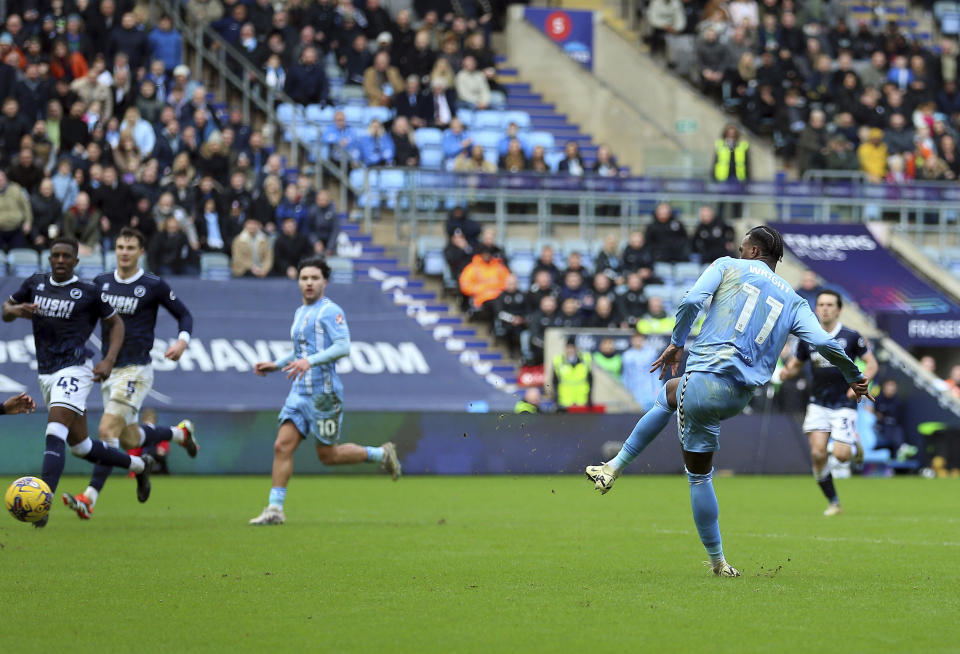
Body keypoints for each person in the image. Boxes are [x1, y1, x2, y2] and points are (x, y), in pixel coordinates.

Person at [584, 226, 870, 577]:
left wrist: (676, 341)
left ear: (751, 251)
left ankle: (615, 467)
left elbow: (691, 301)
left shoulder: (726, 266)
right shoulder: (795, 301)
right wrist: (854, 377)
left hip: (704, 384)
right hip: (738, 396)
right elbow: (826, 344)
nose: (738, 251)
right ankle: (718, 562)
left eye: (741, 247)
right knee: (687, 432)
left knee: (680, 420)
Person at [2, 237, 156, 527]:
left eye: (66, 256)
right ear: (49, 259)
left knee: (54, 431)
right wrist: (15, 311)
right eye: (55, 255)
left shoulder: (88, 291)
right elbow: (5, 311)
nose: (60, 260)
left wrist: (109, 359)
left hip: (75, 369)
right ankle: (139, 464)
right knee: (81, 447)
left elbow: (116, 323)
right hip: (47, 372)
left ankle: (42, 502)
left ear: (75, 261)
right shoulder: (35, 283)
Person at [249, 256, 401, 525]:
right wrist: (277, 364)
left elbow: (343, 347)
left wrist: (310, 361)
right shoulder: (300, 312)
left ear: (325, 282)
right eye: (304, 278)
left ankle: (381, 454)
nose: (309, 283)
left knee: (328, 456)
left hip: (324, 395)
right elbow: (300, 352)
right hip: (299, 392)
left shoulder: (331, 311)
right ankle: (275, 509)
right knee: (281, 446)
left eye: (314, 278)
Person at [62, 228, 199, 520]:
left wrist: (182, 341)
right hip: (110, 370)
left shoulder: (153, 284)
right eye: (120, 246)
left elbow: (184, 314)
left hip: (137, 369)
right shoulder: (100, 283)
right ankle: (180, 433)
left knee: (106, 431)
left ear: (141, 252)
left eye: (130, 247)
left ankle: (89, 497)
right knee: (129, 439)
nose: (124, 251)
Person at [778, 290, 878, 516]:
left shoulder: (851, 336)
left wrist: (862, 383)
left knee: (841, 456)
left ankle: (852, 443)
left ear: (839, 309)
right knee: (818, 454)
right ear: (816, 309)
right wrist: (785, 372)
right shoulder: (808, 337)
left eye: (830, 305)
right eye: (821, 304)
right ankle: (834, 501)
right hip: (818, 401)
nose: (825, 308)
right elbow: (796, 364)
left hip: (844, 400)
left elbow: (871, 364)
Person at [552, 339, 592, 410]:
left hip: (582, 399)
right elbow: (555, 381)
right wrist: (556, 397)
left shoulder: (585, 359)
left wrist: (589, 397)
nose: (570, 350)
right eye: (568, 348)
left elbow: (590, 379)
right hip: (565, 400)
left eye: (572, 347)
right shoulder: (558, 361)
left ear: (576, 348)